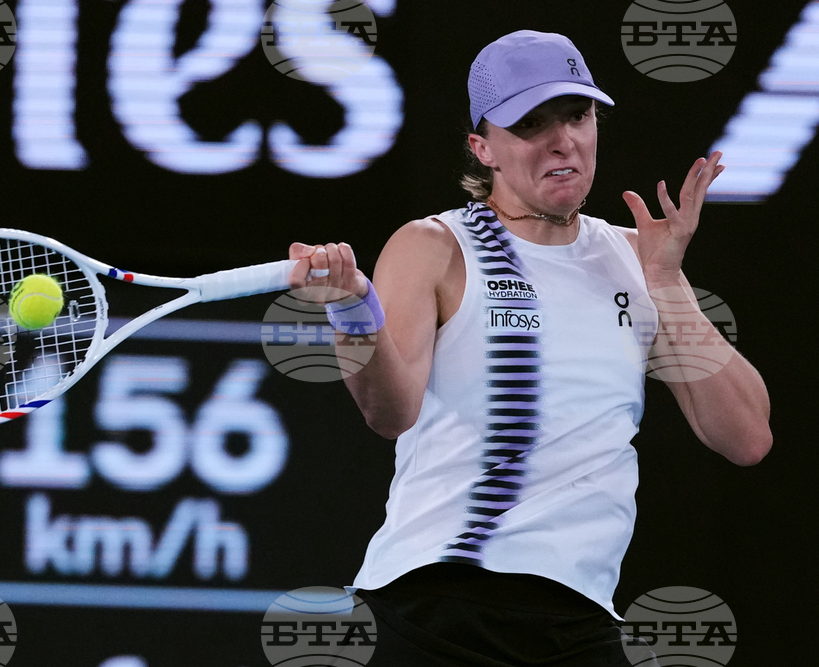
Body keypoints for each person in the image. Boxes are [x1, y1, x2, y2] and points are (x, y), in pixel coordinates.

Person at [288, 30, 772, 666]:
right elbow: (389, 411)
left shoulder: (639, 258)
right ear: (482, 148)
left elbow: (747, 438)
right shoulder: (433, 245)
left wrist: (665, 282)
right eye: (530, 123)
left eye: (576, 115)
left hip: (579, 618)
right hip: (434, 601)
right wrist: (352, 307)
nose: (562, 140)